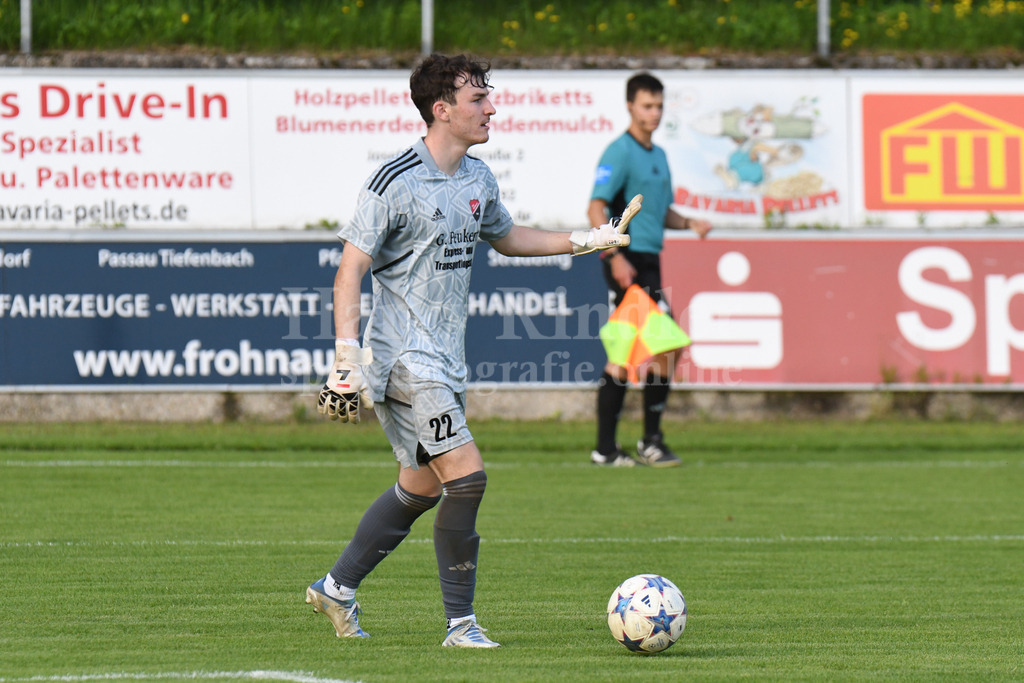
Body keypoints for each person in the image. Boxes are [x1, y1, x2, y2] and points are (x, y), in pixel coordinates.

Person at [307, 53, 631, 649]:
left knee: (422, 487)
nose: (491, 107)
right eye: (478, 99)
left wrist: (586, 240)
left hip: (445, 361)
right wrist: (345, 358)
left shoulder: (478, 178)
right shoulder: (393, 182)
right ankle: (461, 626)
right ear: (442, 109)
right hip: (404, 360)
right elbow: (350, 269)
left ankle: (336, 586)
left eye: (489, 96)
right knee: (468, 477)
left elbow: (508, 238)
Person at [588, 72, 712, 469]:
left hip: (649, 263)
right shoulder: (619, 152)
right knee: (649, 349)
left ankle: (616, 447)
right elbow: (596, 206)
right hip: (627, 263)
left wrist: (689, 223)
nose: (654, 113)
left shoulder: (658, 156)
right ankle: (640, 443)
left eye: (659, 106)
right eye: (646, 105)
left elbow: (659, 214)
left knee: (647, 350)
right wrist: (612, 256)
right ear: (630, 106)